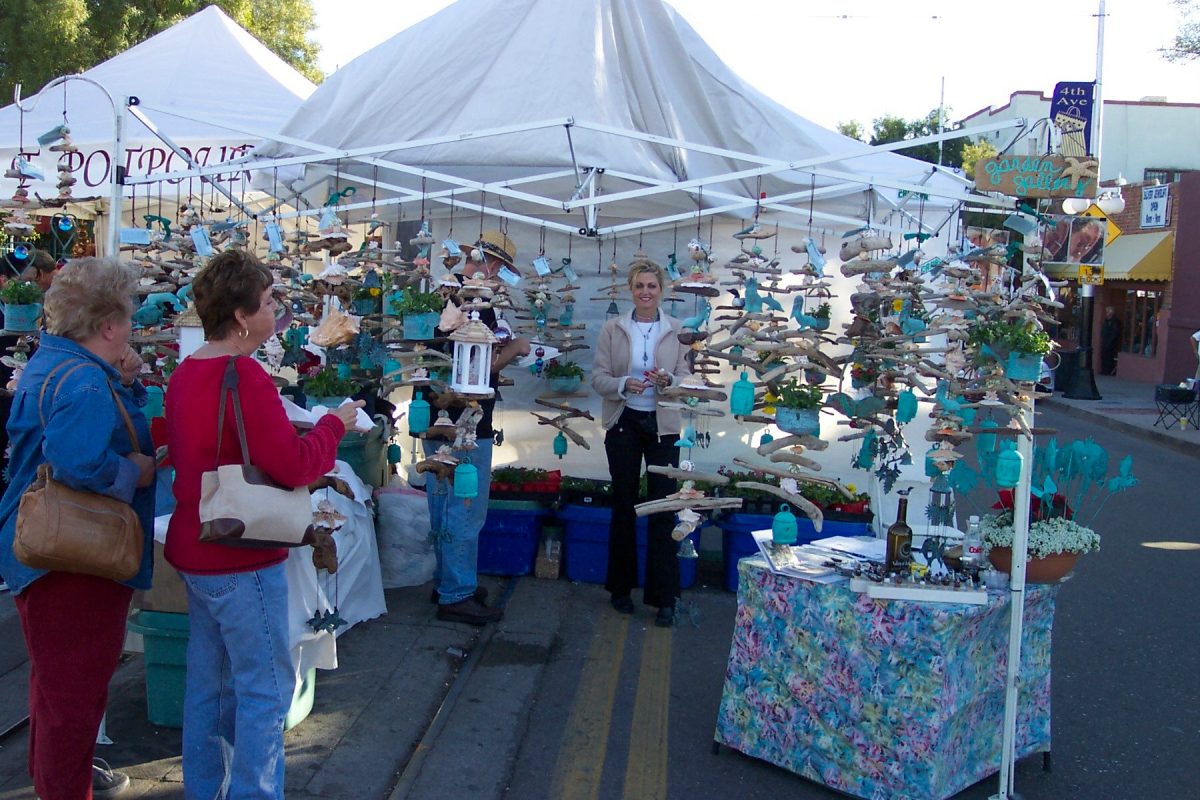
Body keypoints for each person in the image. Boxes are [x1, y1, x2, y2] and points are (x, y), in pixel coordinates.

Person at [164, 250, 362, 800]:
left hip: (196, 548)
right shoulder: (242, 374)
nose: (278, 310)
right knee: (264, 690)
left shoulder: (186, 373)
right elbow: (296, 465)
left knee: (208, 688)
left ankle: (205, 790)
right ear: (241, 317)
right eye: (270, 301)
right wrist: (331, 425)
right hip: (241, 556)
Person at [0, 257, 156, 799]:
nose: (131, 329)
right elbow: (80, 463)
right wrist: (133, 471)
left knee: (55, 686)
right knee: (75, 693)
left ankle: (54, 779)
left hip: (38, 553)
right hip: (75, 561)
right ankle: (64, 788)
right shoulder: (85, 381)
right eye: (129, 319)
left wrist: (127, 382)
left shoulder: (54, 360)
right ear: (109, 324)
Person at [420, 230, 529, 625]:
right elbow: (473, 372)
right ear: (495, 266)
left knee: (442, 503)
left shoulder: (442, 295)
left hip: (433, 416)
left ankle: (449, 581)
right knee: (465, 505)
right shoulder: (476, 303)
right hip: (465, 423)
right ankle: (456, 594)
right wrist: (515, 350)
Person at [590, 258, 692, 627]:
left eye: (651, 286)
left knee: (665, 505)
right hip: (624, 422)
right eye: (639, 286)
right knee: (624, 502)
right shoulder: (613, 329)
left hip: (663, 425)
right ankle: (621, 589)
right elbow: (598, 378)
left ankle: (665, 596)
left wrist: (668, 381)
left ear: (661, 291)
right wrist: (622, 385)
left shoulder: (677, 330)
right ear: (630, 290)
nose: (645, 292)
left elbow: (686, 377)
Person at [1100, 305, 1122, 375]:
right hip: (1105, 342)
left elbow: (1115, 333)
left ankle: (1107, 371)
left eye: (1107, 312)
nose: (1106, 314)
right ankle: (1104, 370)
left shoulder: (1115, 322)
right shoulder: (1107, 321)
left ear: (1111, 313)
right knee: (1104, 357)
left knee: (1109, 358)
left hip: (1111, 344)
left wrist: (1109, 342)